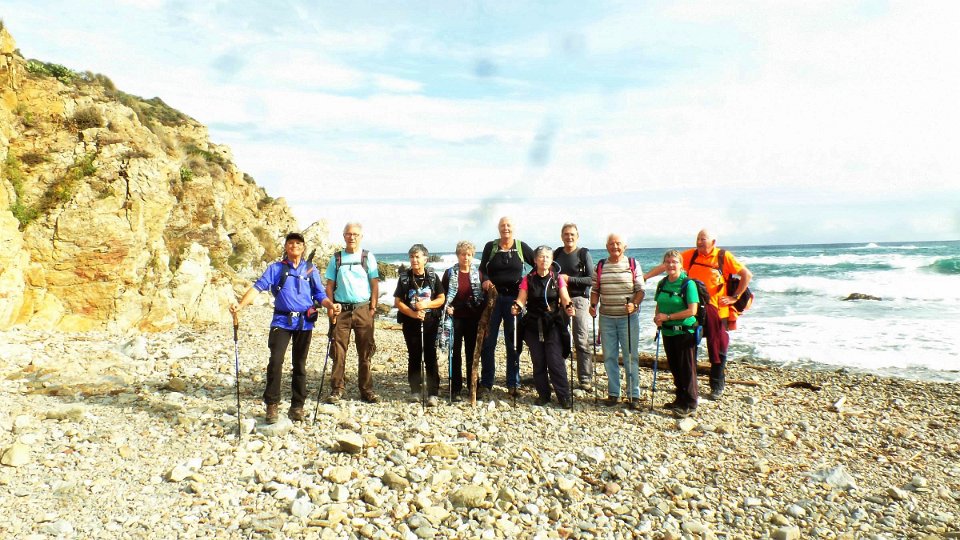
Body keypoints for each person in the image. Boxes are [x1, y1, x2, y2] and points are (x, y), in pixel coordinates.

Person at [230, 232, 342, 424]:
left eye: (298, 243)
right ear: (286, 247)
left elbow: (319, 294)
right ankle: (272, 405)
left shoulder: (310, 269)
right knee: (276, 361)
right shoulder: (275, 269)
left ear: (303, 247)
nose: (294, 246)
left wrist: (331, 305)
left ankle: (297, 406)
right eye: (291, 243)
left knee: (300, 364)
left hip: (305, 323)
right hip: (281, 321)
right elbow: (258, 287)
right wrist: (241, 305)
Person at [643, 229, 752, 401]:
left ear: (713, 242)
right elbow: (668, 265)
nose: (699, 242)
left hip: (717, 311)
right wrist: (645, 277)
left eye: (703, 239)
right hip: (694, 310)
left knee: (718, 349)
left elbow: (747, 274)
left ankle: (717, 385)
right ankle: (690, 387)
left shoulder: (723, 256)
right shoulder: (691, 255)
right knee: (690, 348)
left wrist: (735, 297)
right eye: (698, 239)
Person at [511, 246, 576, 408]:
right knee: (538, 360)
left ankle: (563, 396)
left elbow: (565, 298)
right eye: (541, 256)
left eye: (547, 257)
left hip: (553, 323)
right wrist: (516, 307)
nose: (544, 259)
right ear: (535, 260)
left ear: (552, 260)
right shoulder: (528, 279)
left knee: (555, 360)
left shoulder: (557, 278)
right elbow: (521, 299)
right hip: (533, 324)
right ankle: (544, 395)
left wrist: (569, 307)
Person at [478, 216, 535, 398]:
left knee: (513, 342)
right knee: (489, 342)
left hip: (514, 301)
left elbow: (538, 266)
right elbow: (482, 269)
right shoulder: (491, 247)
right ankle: (487, 382)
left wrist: (526, 284)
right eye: (502, 225)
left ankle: (513, 382)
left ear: (513, 228)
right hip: (493, 300)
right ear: (498, 228)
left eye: (509, 225)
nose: (506, 228)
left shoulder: (521, 247)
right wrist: (485, 280)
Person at [324, 222, 380, 404]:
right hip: (341, 310)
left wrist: (372, 308)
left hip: (363, 309)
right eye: (348, 234)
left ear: (361, 236)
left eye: (355, 234)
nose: (352, 237)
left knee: (365, 352)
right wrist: (330, 307)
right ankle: (337, 389)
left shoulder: (368, 257)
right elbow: (329, 285)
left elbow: (374, 284)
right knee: (338, 351)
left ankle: (366, 390)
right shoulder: (336, 258)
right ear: (344, 236)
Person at [588, 233, 645, 409]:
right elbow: (595, 290)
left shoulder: (633, 264)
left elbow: (640, 290)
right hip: (606, 318)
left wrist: (634, 304)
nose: (615, 246)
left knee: (630, 356)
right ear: (607, 247)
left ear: (625, 246)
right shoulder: (600, 266)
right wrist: (593, 305)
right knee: (609, 357)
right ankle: (614, 394)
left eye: (618, 243)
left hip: (628, 318)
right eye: (611, 244)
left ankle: (633, 395)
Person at [394, 244, 446, 406]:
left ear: (425, 259)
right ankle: (415, 391)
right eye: (411, 257)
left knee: (430, 355)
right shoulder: (405, 278)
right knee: (414, 355)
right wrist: (413, 313)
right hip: (410, 322)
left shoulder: (432, 276)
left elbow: (441, 298)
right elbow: (398, 302)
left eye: (417, 257)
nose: (414, 260)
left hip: (430, 322)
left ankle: (433, 393)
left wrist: (426, 305)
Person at [652, 250, 700, 418]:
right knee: (674, 367)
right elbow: (659, 304)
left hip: (685, 332)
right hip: (668, 331)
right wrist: (657, 317)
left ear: (681, 264)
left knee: (687, 368)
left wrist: (668, 317)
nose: (671, 265)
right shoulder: (662, 283)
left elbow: (692, 310)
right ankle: (680, 399)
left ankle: (691, 403)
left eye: (674, 262)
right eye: (668, 262)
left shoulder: (688, 284)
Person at [553, 223, 595, 391]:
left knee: (581, 340)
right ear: (561, 236)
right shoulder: (557, 253)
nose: (569, 237)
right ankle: (559, 375)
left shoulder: (583, 254)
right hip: (559, 301)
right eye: (566, 234)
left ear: (577, 236)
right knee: (559, 338)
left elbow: (591, 279)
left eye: (572, 234)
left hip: (579, 299)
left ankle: (585, 378)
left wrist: (569, 279)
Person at [440, 241, 484, 402]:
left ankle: (474, 386)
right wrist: (447, 307)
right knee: (455, 354)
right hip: (455, 318)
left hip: (472, 319)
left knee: (472, 353)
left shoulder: (479, 274)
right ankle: (456, 388)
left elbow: (483, 298)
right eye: (463, 254)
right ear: (458, 255)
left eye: (469, 254)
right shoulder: (449, 273)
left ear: (473, 256)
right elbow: (442, 295)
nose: (466, 257)